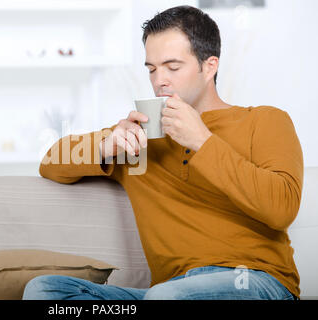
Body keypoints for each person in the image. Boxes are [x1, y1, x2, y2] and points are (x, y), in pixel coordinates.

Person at [23, 5, 303, 300]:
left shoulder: (264, 120)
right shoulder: (140, 141)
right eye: (152, 69)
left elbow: (282, 208)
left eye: (172, 67)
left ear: (209, 66)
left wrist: (202, 141)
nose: (159, 81)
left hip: (256, 283)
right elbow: (51, 161)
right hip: (167, 291)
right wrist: (106, 145)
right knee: (45, 290)